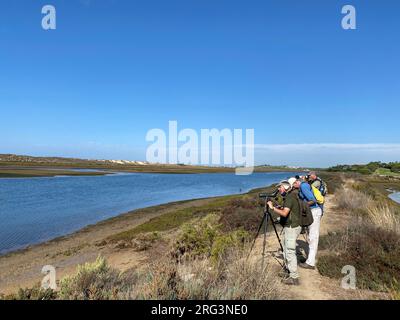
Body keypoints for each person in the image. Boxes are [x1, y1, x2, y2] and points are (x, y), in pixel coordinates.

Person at [267, 180, 301, 285]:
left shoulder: (289, 197)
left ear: (286, 187)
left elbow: (285, 213)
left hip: (291, 227)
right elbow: (288, 210)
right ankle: (289, 271)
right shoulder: (290, 196)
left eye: (280, 187)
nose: (278, 189)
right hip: (290, 226)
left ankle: (294, 277)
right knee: (285, 249)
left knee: (290, 251)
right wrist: (280, 208)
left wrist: (272, 208)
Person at [292, 178, 323, 270]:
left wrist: (299, 206)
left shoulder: (303, 186)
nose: (293, 187)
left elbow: (313, 200)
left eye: (293, 185)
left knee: (313, 237)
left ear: (297, 182)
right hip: (312, 212)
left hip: (314, 212)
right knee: (311, 237)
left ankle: (310, 263)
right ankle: (310, 259)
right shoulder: (302, 186)